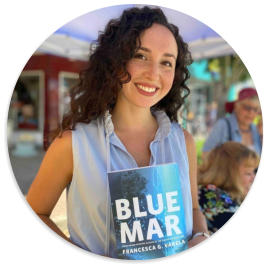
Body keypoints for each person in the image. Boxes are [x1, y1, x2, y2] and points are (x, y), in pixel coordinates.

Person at [26, 6, 208, 258]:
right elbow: (34, 214)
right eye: (140, 56)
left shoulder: (183, 141)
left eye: (166, 62)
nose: (154, 73)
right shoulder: (73, 143)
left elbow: (195, 209)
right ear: (115, 60)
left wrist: (201, 237)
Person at [198, 141, 259, 234]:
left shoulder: (221, 193)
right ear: (229, 174)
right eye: (248, 173)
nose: (253, 178)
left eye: (253, 172)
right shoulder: (213, 196)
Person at [202, 87, 262, 158]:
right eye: (247, 107)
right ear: (236, 106)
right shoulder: (223, 125)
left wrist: (262, 135)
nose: (251, 113)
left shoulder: (256, 129)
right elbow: (205, 154)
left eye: (255, 109)